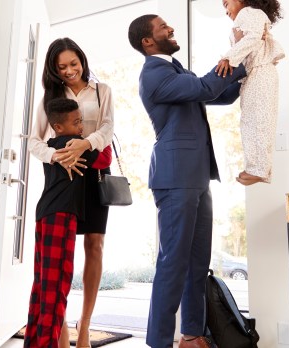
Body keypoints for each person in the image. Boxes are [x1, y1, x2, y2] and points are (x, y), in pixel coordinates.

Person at [128, 14, 247, 348]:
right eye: (162, 27)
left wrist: (247, 72)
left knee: (197, 261)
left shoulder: (176, 70)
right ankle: (159, 342)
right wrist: (236, 54)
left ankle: (191, 335)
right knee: (173, 262)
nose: (171, 29)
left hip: (196, 177)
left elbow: (218, 94)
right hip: (175, 177)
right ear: (147, 42)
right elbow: (208, 86)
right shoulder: (153, 74)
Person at [28, 37, 114, 348]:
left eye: (73, 64)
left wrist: (85, 143)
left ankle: (85, 326)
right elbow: (33, 140)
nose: (69, 71)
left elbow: (107, 128)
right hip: (64, 176)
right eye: (61, 67)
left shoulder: (102, 90)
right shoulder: (49, 97)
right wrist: (55, 156)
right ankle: (60, 332)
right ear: (53, 69)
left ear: (82, 60)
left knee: (95, 245)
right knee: (59, 256)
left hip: (95, 171)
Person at [216, 0, 285, 186]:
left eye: (226, 4)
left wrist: (228, 57)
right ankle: (257, 168)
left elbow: (253, 37)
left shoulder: (248, 12)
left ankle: (259, 169)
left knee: (259, 121)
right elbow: (252, 41)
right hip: (255, 73)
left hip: (260, 72)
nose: (226, 11)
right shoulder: (249, 16)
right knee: (252, 121)